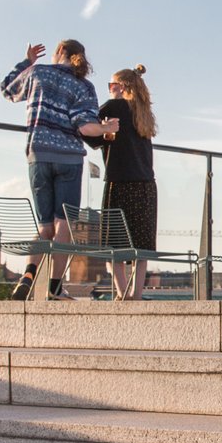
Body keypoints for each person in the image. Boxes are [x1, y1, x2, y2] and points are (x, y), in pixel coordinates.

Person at [0, 39, 117, 300]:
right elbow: (86, 127)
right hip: (70, 159)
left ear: (59, 53)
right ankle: (54, 287)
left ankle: (28, 275)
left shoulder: (38, 73)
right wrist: (108, 129)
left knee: (44, 227)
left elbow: (7, 89)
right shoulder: (83, 85)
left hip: (38, 154)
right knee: (63, 226)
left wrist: (28, 61)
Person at [90, 66, 157, 300]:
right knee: (140, 246)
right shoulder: (144, 112)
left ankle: (121, 293)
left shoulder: (115, 106)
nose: (109, 90)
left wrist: (103, 130)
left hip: (119, 181)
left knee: (114, 243)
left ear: (120, 87)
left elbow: (87, 126)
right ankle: (136, 295)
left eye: (111, 85)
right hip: (146, 185)